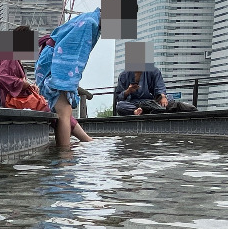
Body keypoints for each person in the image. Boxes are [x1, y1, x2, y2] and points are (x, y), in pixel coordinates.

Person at [35, 8, 100, 147]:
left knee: (64, 112)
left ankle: (65, 155)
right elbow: (71, 52)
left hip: (50, 62)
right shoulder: (90, 23)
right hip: (57, 67)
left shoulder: (90, 19)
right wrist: (66, 82)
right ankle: (64, 158)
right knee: (64, 112)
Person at [115, 67, 197, 115]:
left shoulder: (154, 71)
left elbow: (160, 86)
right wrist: (128, 91)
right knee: (120, 106)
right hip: (134, 104)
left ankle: (150, 109)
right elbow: (119, 97)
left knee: (169, 100)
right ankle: (137, 111)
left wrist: (162, 96)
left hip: (152, 102)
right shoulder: (123, 75)